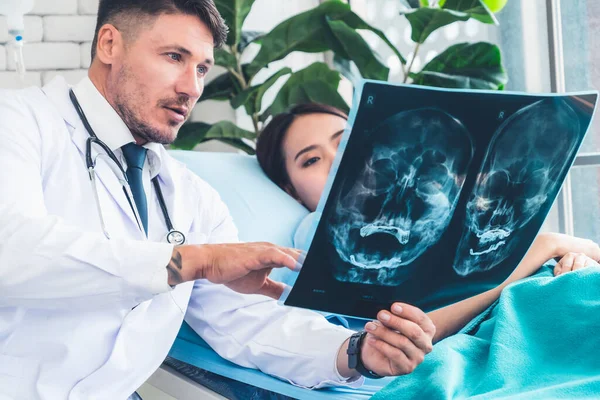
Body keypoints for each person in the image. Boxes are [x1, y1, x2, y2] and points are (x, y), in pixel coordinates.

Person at [0, 2, 437, 399]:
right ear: (110, 43)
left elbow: (244, 320)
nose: (191, 88)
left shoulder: (191, 195)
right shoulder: (18, 123)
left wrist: (358, 352)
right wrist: (196, 261)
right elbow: (12, 253)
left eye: (203, 69)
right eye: (174, 57)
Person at [256, 102, 600, 339]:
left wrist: (570, 259)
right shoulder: (319, 231)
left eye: (346, 142)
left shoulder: (435, 200)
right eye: (312, 159)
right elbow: (409, 332)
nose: (338, 160)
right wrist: (551, 245)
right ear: (291, 190)